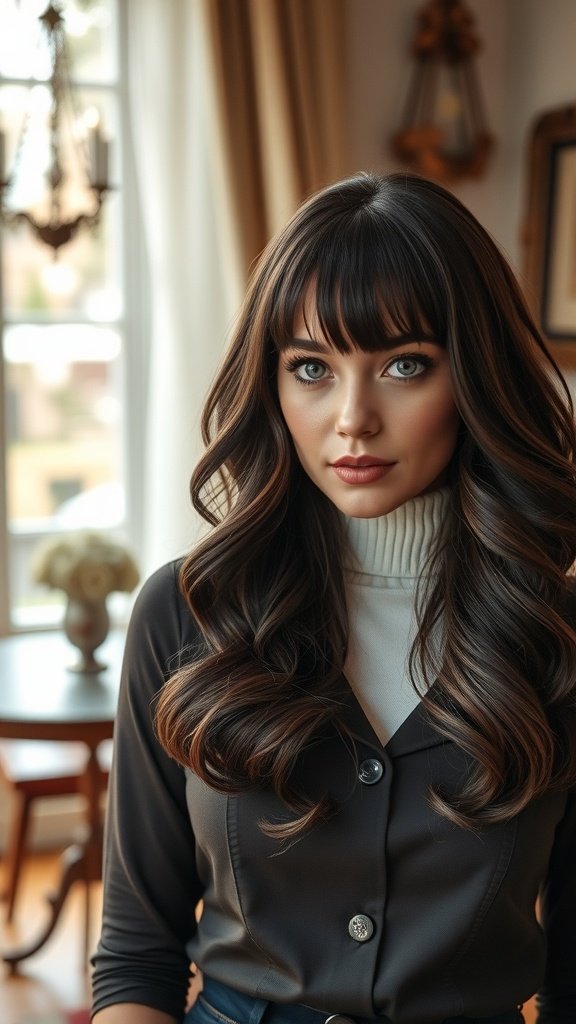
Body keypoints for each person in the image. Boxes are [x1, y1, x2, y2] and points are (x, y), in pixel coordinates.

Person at [91, 172, 576, 1024]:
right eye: (311, 366)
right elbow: (137, 953)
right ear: (272, 386)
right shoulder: (185, 612)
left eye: (403, 364)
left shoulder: (557, 635)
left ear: (472, 376)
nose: (353, 417)